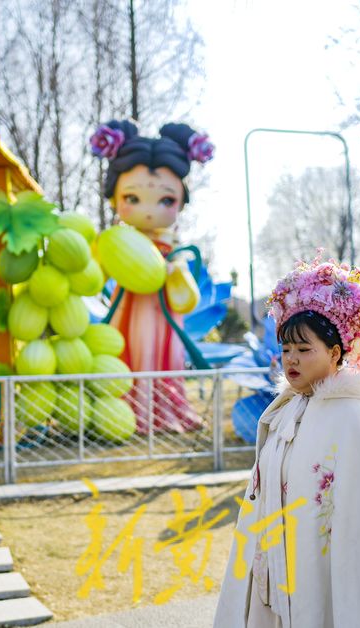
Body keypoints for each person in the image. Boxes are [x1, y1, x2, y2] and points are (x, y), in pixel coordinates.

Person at [214, 258, 360, 628]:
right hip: (283, 555)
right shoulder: (286, 409)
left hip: (327, 564)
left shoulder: (354, 415)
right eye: (285, 350)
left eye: (304, 349)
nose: (291, 360)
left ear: (335, 352)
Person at [89, 120, 213, 433]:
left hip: (165, 310)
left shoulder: (173, 250)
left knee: (167, 353)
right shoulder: (115, 244)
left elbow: (186, 297)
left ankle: (167, 407)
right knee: (135, 348)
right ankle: (130, 410)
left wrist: (175, 271)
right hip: (129, 306)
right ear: (115, 197)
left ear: (181, 201)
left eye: (166, 200)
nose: (148, 209)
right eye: (132, 198)